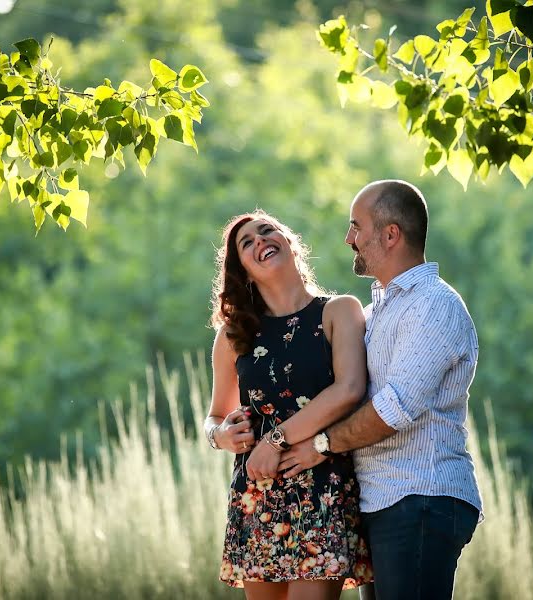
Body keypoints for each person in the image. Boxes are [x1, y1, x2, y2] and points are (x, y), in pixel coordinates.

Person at [281, 180, 483, 600]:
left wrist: (320, 444)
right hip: (380, 501)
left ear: (391, 235)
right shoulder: (375, 312)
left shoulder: (434, 305)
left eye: (357, 227)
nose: (348, 238)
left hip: (420, 497)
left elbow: (394, 409)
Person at [205, 210, 373, 600]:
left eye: (268, 231)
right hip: (257, 492)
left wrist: (274, 441)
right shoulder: (233, 335)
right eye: (247, 243)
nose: (260, 241)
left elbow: (349, 389)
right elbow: (214, 416)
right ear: (244, 271)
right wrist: (221, 435)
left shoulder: (339, 311)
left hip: (322, 488)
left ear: (291, 244)